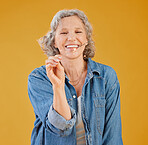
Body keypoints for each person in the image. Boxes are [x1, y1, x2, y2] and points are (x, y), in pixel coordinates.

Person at [28, 9, 123, 145]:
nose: (71, 38)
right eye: (63, 33)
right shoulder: (39, 78)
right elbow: (60, 127)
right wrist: (58, 85)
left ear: (86, 39)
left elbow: (112, 137)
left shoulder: (106, 76)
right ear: (54, 41)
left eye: (78, 32)